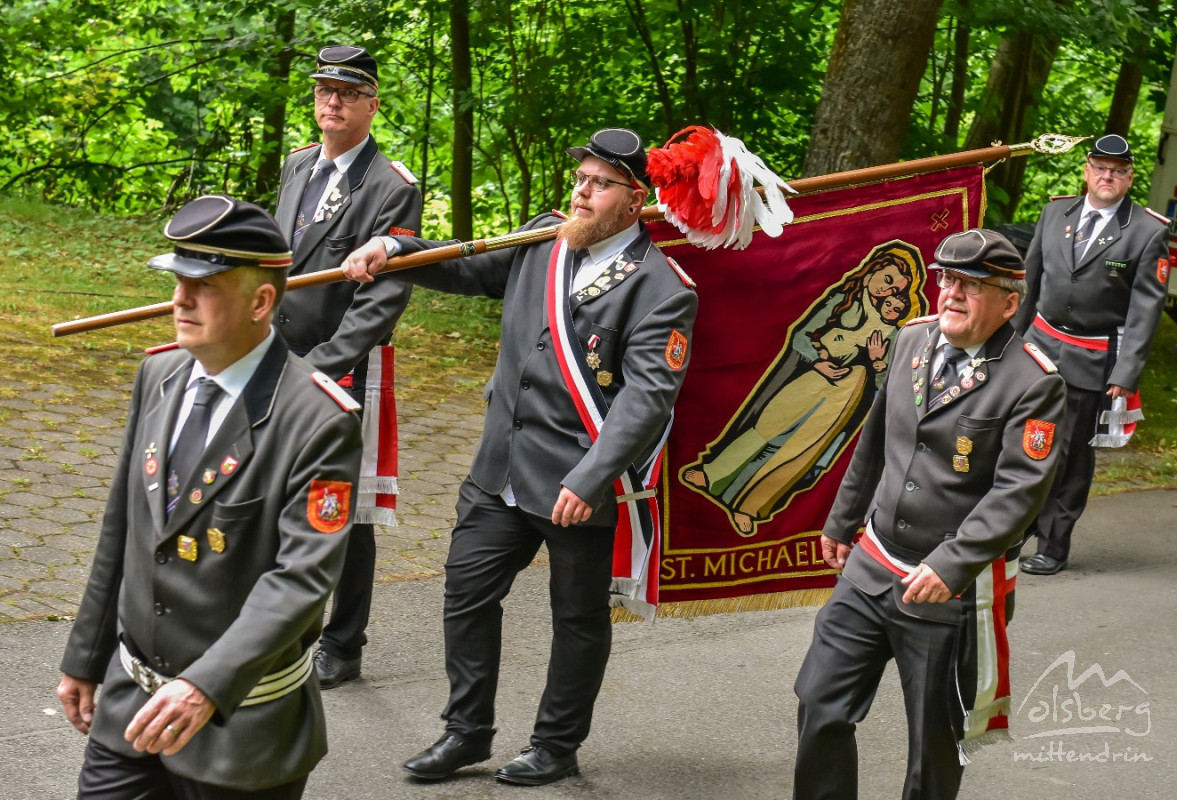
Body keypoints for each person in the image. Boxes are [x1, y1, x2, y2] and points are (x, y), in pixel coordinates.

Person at [340, 127, 698, 786]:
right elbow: (463, 265)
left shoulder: (661, 289)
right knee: (467, 591)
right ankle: (466, 732)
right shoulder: (542, 238)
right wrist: (395, 248)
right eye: (580, 180)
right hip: (498, 465)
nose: (581, 193)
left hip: (573, 484)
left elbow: (646, 402)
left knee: (577, 617)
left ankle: (556, 745)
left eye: (598, 185)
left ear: (634, 199)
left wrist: (592, 479)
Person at [57, 195, 363, 799]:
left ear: (261, 301)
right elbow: (123, 527)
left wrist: (205, 687)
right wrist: (85, 658)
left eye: (204, 285)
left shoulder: (317, 420)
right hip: (131, 706)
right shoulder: (160, 374)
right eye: (176, 280)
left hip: (239, 726)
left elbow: (300, 580)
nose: (180, 299)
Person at [792, 229, 1066, 800]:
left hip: (946, 590)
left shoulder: (1033, 382)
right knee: (821, 703)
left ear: (1010, 302)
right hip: (872, 566)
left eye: (972, 285)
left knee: (935, 747)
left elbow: (1019, 492)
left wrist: (950, 564)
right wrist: (843, 521)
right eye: (948, 279)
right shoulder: (911, 341)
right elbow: (874, 439)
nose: (952, 294)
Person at [275, 44, 423, 686]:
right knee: (280, 494)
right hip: (278, 358)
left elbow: (381, 302)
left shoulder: (392, 186)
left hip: (344, 367)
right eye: (322, 90)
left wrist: (322, 367)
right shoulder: (297, 165)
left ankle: (344, 642)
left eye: (346, 91)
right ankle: (284, 626)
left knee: (346, 506)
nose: (330, 101)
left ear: (372, 103)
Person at [681, 241, 927, 536]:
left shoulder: (891, 328)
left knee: (800, 451)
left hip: (848, 391)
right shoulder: (844, 299)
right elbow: (802, 334)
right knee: (766, 428)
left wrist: (876, 362)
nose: (887, 293)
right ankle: (711, 473)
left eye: (894, 291)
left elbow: (886, 381)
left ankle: (749, 506)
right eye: (886, 280)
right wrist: (818, 362)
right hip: (812, 376)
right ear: (873, 270)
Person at [1011, 134, 1170, 576]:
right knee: (1021, 439)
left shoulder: (1147, 231)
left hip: (1090, 356)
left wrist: (1127, 371)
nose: (1107, 177)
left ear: (1129, 178)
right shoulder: (1053, 212)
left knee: (1070, 454)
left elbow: (1145, 311)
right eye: (1100, 167)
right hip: (1037, 347)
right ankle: (1011, 529)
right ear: (1086, 170)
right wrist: (1008, 340)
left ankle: (1053, 545)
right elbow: (1029, 284)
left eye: (1117, 171)